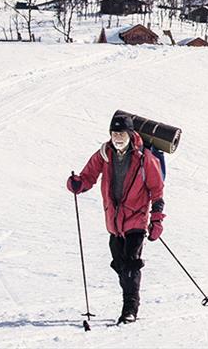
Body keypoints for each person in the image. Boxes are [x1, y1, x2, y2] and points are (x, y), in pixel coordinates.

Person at [68, 114, 166, 324]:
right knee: (120, 263)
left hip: (136, 219)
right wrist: (77, 184)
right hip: (113, 221)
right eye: (114, 133)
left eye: (121, 133)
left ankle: (130, 308)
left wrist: (156, 219)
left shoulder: (144, 158)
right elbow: (88, 177)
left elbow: (157, 189)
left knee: (131, 264)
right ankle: (129, 301)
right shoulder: (104, 154)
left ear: (130, 134)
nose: (117, 137)